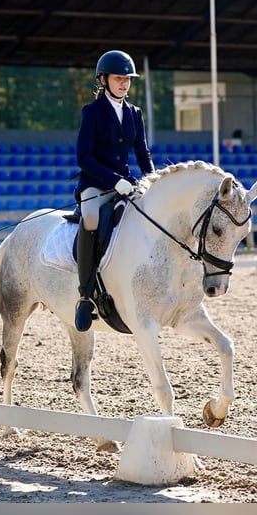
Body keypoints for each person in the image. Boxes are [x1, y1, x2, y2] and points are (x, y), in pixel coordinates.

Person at [72, 49, 156, 331]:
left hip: (126, 184)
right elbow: (84, 158)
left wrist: (152, 181)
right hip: (96, 184)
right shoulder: (93, 112)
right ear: (104, 79)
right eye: (119, 78)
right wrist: (113, 180)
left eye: (128, 79)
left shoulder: (134, 113)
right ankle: (85, 295)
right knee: (93, 217)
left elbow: (142, 153)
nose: (124, 83)